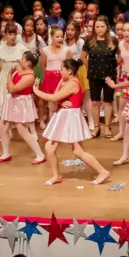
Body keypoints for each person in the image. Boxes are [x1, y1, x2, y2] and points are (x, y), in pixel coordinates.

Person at [34, 58, 110, 187]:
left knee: (75, 150)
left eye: (62, 69)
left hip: (69, 117)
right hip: (64, 115)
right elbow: (56, 97)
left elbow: (53, 97)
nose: (60, 72)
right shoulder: (65, 81)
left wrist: (36, 90)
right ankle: (56, 176)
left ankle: (102, 172)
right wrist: (60, 100)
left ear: (69, 71)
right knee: (52, 147)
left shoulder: (73, 83)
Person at [0, 51, 46, 165]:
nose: (20, 60)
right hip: (12, 100)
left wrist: (8, 75)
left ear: (28, 63)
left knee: (22, 129)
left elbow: (12, 89)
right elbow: (9, 87)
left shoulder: (29, 77)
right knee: (3, 126)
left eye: (23, 59)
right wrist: (10, 81)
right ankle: (6, 153)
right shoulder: (19, 70)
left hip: (21, 103)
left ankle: (40, 154)